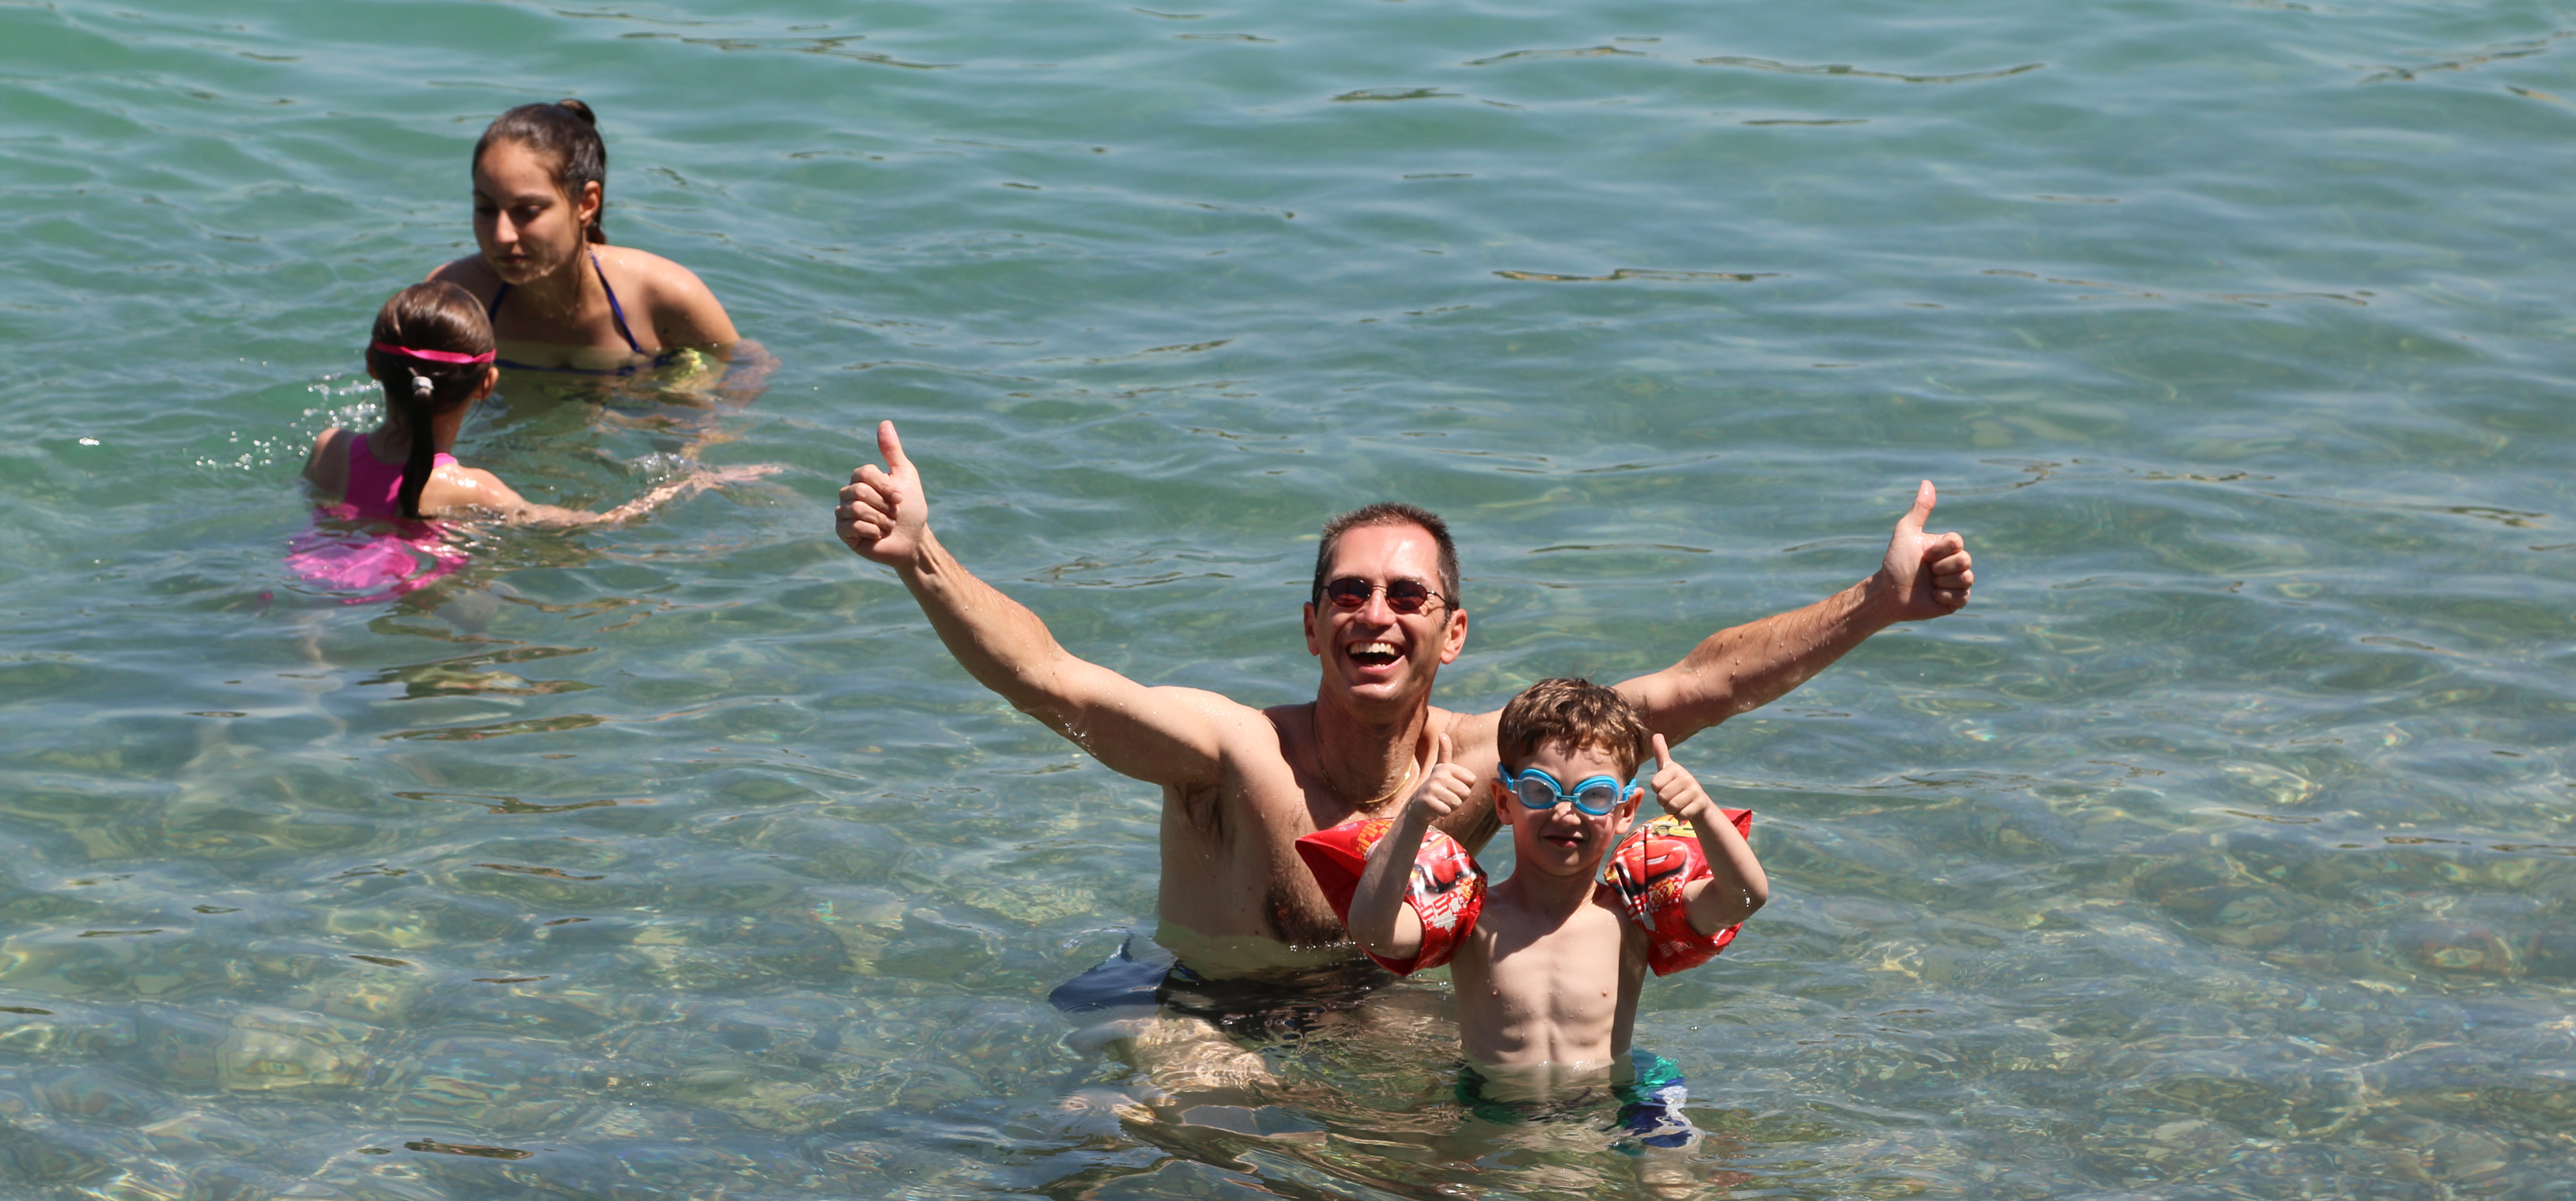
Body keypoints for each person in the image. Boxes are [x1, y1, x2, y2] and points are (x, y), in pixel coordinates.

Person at [833, 421, 1969, 998]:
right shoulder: (1231, 754)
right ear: (1312, 625)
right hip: (1206, 1017)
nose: (1374, 613)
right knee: (1131, 1150)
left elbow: (1700, 684)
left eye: (1405, 595)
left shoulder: (1500, 757)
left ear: (1451, 632)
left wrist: (1874, 604)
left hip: (1378, 1022)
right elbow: (1051, 679)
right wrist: (920, 558)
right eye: (1347, 593)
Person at [1308, 678, 1763, 1140]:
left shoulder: (1631, 916)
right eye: (1540, 791)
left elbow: (1745, 896)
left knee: (1672, 1179)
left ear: (1625, 811)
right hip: (1492, 1102)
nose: (1566, 813)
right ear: (1504, 802)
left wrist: (1702, 812)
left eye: (1595, 796)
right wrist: (1414, 818)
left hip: (1616, 1099)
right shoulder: (1475, 918)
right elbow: (1373, 932)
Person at [294, 283, 773, 598]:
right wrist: (690, 485)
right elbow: (596, 526)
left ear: (373, 366)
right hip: (407, 597)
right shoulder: (475, 490)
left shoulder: (329, 449)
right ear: (487, 384)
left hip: (310, 575)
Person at [427, 100, 741, 373]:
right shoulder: (455, 298)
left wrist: (688, 413)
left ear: (587, 205)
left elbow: (745, 369)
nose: (502, 235)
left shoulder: (664, 296)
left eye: (528, 211)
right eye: (486, 209)